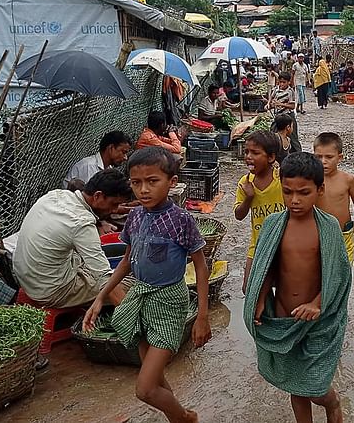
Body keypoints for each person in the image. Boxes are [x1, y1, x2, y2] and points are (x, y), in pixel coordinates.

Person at [83, 147, 211, 423]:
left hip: (168, 302)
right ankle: (178, 416)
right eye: (136, 182)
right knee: (154, 378)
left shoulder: (182, 220)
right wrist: (100, 297)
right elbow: (127, 261)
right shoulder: (136, 216)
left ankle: (185, 418)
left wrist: (202, 316)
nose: (143, 190)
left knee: (144, 389)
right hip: (141, 298)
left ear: (171, 182)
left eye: (152, 181)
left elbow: (201, 267)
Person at [244, 152, 350, 423]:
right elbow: (268, 266)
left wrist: (317, 303)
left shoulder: (328, 228)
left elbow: (338, 275)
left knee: (314, 385)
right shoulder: (274, 225)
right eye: (288, 192)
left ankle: (332, 403)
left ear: (320, 189)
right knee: (295, 384)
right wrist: (260, 296)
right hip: (284, 317)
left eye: (304, 193)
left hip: (317, 321)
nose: (294, 200)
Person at [14, 170, 134, 308]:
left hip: (25, 278)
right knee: (130, 284)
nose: (114, 210)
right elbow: (105, 279)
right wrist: (129, 319)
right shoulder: (81, 223)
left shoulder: (55, 196)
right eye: (114, 204)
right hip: (50, 291)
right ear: (98, 196)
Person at [234, 131, 285, 292]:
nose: (248, 156)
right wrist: (249, 197)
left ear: (271, 158)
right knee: (249, 289)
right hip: (258, 244)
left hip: (284, 245)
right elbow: (238, 215)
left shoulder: (281, 178)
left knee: (284, 288)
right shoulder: (245, 182)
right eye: (247, 152)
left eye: (255, 153)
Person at [313, 133, 354, 263]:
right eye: (318, 157)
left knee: (344, 269)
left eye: (329, 157)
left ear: (340, 158)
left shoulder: (347, 180)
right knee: (322, 269)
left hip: (344, 234)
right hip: (319, 234)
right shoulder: (312, 180)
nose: (323, 161)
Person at [63, 131, 131, 188]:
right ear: (111, 148)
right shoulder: (89, 167)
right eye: (123, 152)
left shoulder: (108, 169)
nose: (125, 158)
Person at [268, 72, 301, 153]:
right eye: (280, 82)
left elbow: (292, 106)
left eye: (284, 82)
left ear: (288, 82)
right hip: (278, 117)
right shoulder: (275, 90)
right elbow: (271, 100)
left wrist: (280, 104)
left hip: (288, 116)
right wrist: (268, 104)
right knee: (273, 134)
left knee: (293, 138)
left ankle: (298, 154)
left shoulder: (290, 91)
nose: (282, 84)